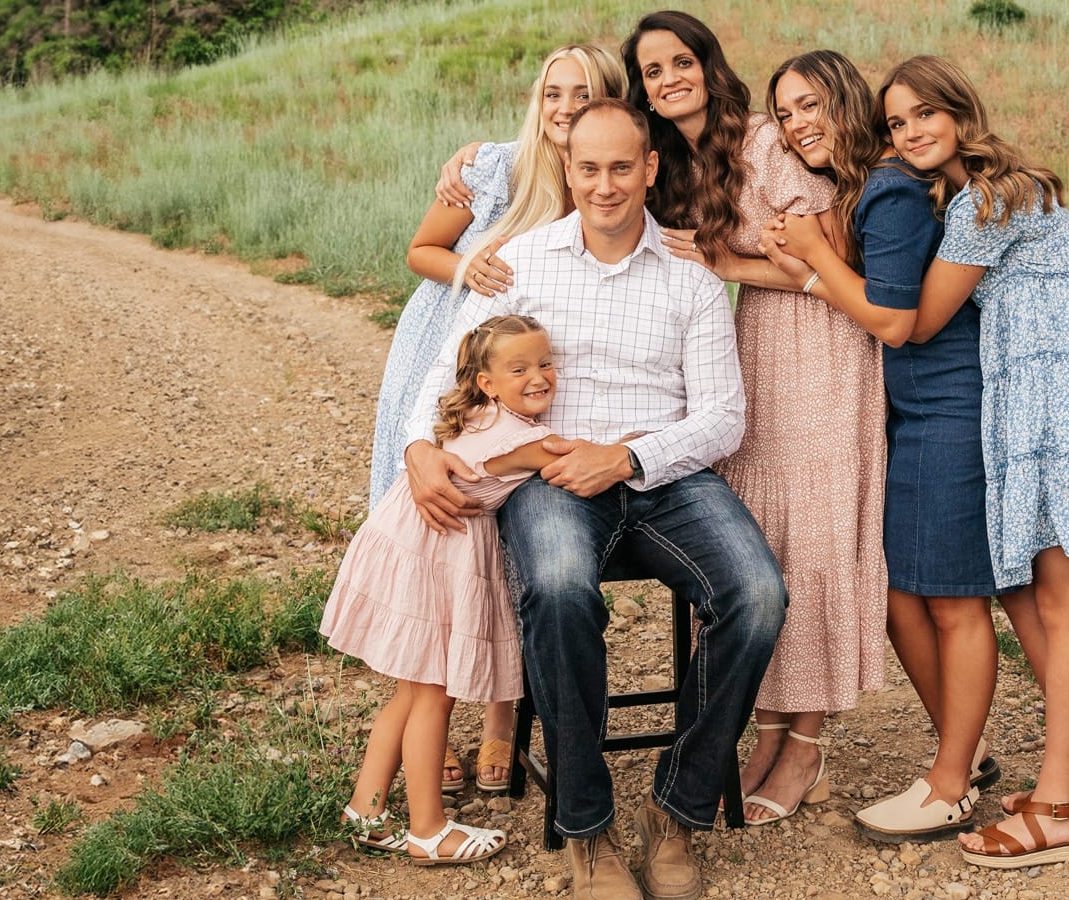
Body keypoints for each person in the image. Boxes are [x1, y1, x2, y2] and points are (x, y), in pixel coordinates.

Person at [402, 99, 786, 900]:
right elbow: (448, 368)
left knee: (756, 594)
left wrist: (629, 456)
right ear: (567, 171)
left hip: (665, 475)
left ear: (649, 169)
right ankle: (586, 829)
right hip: (551, 481)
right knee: (558, 588)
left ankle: (678, 809)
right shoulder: (526, 260)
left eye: (621, 168)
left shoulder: (690, 272)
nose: (604, 186)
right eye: (588, 169)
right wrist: (416, 449)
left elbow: (724, 417)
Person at [878, 55, 1069, 868]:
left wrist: (807, 260)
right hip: (1039, 404)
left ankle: (1058, 811)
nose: (909, 132)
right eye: (895, 123)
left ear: (958, 111)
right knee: (1024, 594)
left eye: (922, 115)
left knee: (1066, 608)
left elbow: (915, 322)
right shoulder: (979, 195)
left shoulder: (991, 199)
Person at [623, 12, 886, 827]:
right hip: (757, 346)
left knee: (810, 535)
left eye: (681, 61)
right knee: (766, 535)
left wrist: (728, 263)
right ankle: (770, 730)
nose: (670, 79)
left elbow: (823, 251)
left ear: (707, 63)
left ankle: (804, 746)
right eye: (652, 70)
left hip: (821, 343)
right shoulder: (675, 161)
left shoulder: (767, 140)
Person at [760, 50, 1010, 842]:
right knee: (902, 596)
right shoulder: (864, 189)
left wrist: (815, 257)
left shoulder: (891, 193)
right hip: (908, 410)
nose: (797, 124)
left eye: (809, 106)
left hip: (946, 407)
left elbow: (894, 320)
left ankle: (949, 783)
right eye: (784, 112)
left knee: (950, 601)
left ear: (843, 101)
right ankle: (960, 757)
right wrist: (794, 262)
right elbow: (849, 288)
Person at [370, 43, 625, 794]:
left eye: (584, 93)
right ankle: (426, 716)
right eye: (553, 93)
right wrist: (469, 264)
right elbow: (422, 249)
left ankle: (503, 721)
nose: (566, 107)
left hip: (536, 380)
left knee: (504, 547)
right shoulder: (494, 166)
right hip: (453, 352)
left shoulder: (606, 173)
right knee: (439, 534)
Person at [323, 314, 563, 864]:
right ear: (487, 382)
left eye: (546, 363)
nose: (539, 377)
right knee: (434, 694)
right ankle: (428, 828)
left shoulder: (480, 413)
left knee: (412, 692)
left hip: (414, 545)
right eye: (520, 368)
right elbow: (573, 457)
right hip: (434, 556)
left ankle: (365, 808)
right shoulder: (524, 439)